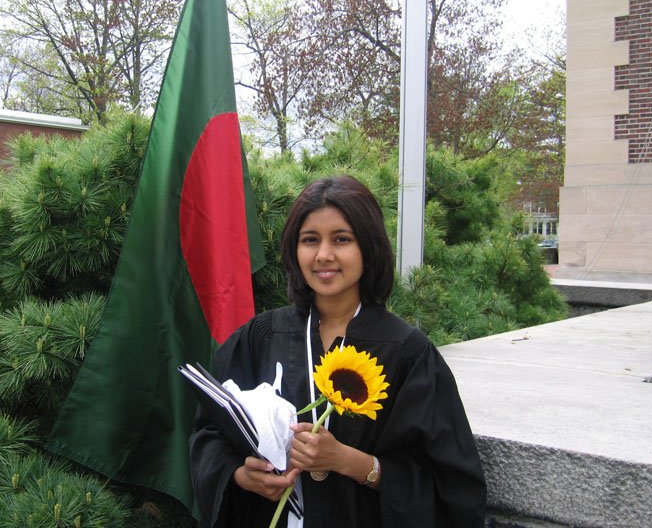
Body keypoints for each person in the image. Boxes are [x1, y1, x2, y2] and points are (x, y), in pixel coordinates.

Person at [190, 175, 487, 527]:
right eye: (310, 240)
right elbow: (209, 432)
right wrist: (239, 474)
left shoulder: (407, 354)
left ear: (369, 247)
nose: (324, 255)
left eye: (342, 239)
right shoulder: (262, 336)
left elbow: (452, 487)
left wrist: (352, 462)